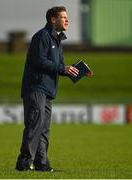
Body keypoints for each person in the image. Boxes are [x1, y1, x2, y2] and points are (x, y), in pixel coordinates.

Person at [15, 6, 93, 172]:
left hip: (47, 90)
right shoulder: (42, 36)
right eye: (63, 17)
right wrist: (62, 68)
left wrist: (76, 71)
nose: (67, 20)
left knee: (44, 128)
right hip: (36, 88)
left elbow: (58, 67)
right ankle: (23, 164)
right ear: (53, 20)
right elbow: (39, 61)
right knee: (35, 125)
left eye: (67, 17)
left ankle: (41, 164)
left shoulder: (57, 40)